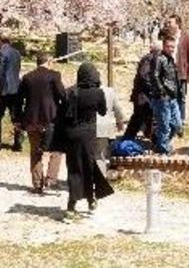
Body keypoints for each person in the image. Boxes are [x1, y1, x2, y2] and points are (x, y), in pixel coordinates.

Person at [52, 62, 113, 218]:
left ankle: (71, 206)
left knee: (74, 168)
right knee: (89, 166)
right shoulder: (98, 93)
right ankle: (91, 200)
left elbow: (61, 115)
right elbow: (103, 111)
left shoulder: (70, 92)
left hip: (71, 135)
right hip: (88, 135)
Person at [18, 52, 66, 194]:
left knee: (35, 152)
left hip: (32, 120)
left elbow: (19, 101)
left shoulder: (27, 77)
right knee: (56, 150)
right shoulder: (54, 76)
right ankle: (51, 179)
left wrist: (18, 119)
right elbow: (62, 96)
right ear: (49, 61)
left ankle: (37, 183)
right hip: (51, 119)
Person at [147, 31, 183, 155]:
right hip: (162, 98)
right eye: (168, 46)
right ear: (163, 46)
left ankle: (160, 142)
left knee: (177, 123)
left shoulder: (170, 59)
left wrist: (179, 92)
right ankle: (163, 147)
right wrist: (162, 92)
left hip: (172, 96)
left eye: (173, 47)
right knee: (164, 124)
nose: (171, 49)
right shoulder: (159, 59)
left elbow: (173, 78)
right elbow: (154, 76)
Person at [164, 14, 189, 125]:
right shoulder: (166, 36)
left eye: (170, 22)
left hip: (181, 72)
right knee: (168, 96)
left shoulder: (187, 38)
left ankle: (181, 119)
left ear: (177, 24)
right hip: (168, 71)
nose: (168, 24)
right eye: (168, 22)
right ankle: (171, 118)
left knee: (181, 96)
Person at [0, 35, 23, 152]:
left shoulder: (0, 53)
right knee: (16, 117)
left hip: (3, 90)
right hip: (16, 88)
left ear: (1, 41)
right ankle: (18, 143)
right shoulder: (17, 53)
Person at [122, 44, 158, 140]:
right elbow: (144, 76)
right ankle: (128, 138)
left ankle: (129, 137)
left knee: (142, 118)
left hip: (144, 95)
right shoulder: (149, 59)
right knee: (140, 117)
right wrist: (153, 88)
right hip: (142, 95)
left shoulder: (153, 59)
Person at [95, 78, 126, 174]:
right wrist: (120, 122)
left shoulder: (83, 92)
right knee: (100, 155)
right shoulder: (110, 91)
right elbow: (117, 109)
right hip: (105, 128)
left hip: (87, 128)